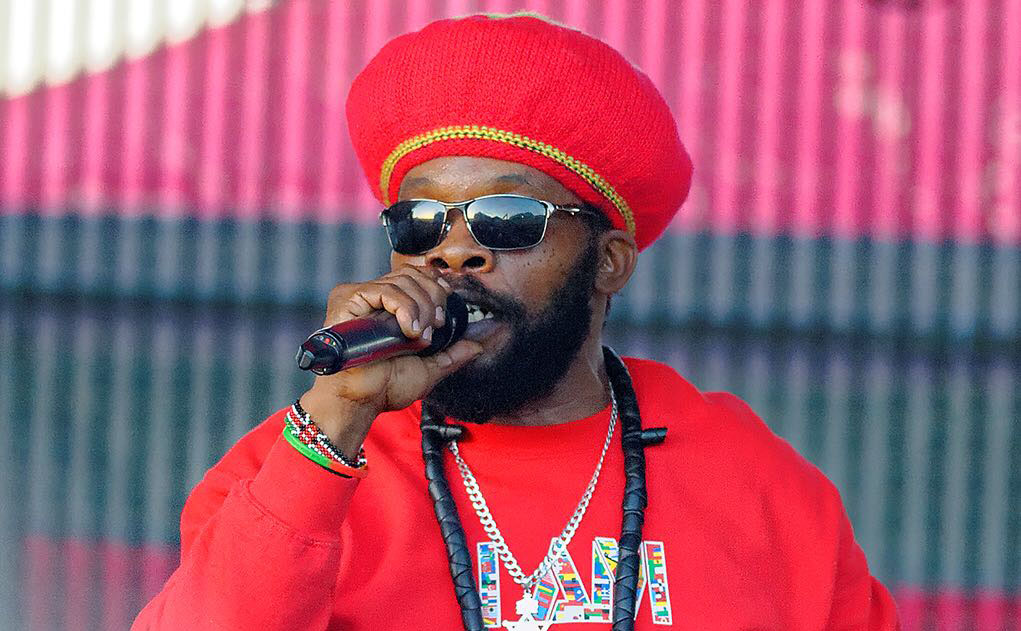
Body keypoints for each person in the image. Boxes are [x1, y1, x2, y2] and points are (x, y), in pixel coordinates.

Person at [134, 12, 900, 631]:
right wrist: (336, 420)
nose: (453, 250)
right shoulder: (296, 465)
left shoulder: (756, 484)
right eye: (420, 221)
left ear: (608, 262)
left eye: (506, 218)